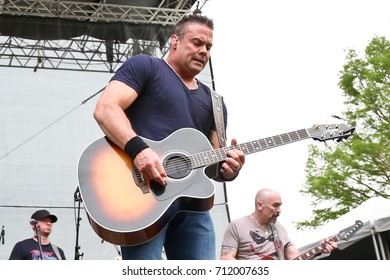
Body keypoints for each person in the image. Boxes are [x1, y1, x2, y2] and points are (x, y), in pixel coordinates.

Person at [93, 14, 245, 260]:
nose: (204, 51)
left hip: (194, 207)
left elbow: (216, 167)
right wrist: (139, 151)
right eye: (197, 43)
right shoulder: (146, 66)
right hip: (142, 198)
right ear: (175, 41)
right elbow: (106, 109)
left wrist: (231, 169)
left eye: (208, 47)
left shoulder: (215, 103)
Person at [220, 188, 337, 260]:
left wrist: (318, 250)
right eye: (275, 205)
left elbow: (295, 257)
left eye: (280, 206)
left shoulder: (279, 228)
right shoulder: (237, 226)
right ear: (260, 205)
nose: (279, 210)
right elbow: (226, 258)